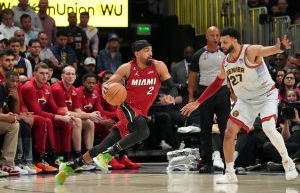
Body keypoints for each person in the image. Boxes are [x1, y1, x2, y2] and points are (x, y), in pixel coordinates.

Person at [181, 27, 298, 183]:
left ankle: (287, 161)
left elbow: (268, 50)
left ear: (234, 40)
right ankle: (229, 172)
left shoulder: (250, 51)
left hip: (265, 96)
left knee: (268, 127)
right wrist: (197, 102)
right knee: (229, 132)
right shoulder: (226, 62)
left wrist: (280, 47)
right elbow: (216, 84)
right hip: (245, 101)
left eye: (224, 41)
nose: (221, 45)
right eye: (221, 42)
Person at [55, 39, 178, 184]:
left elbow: (172, 87)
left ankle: (69, 167)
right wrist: (105, 87)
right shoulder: (126, 68)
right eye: (146, 51)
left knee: (101, 146)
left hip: (141, 111)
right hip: (126, 107)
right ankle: (108, 155)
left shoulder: (159, 66)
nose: (150, 53)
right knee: (144, 132)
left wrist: (172, 95)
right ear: (137, 53)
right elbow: (108, 83)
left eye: (151, 50)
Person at [187, 26, 230, 173]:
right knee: (205, 129)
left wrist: (234, 93)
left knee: (225, 129)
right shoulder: (198, 54)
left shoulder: (225, 53)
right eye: (212, 35)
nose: (215, 38)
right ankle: (207, 163)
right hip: (205, 93)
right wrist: (191, 96)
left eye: (217, 35)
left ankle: (227, 163)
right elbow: (192, 77)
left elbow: (230, 73)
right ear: (206, 36)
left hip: (223, 93)